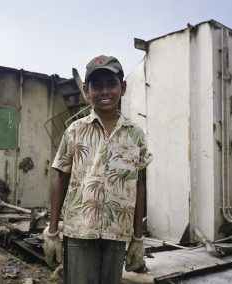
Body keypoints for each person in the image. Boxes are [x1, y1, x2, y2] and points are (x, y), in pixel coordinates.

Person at [43, 55, 153, 283]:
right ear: (86, 90)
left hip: (117, 232)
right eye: (97, 85)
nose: (105, 91)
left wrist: (138, 238)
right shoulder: (75, 130)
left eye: (111, 84)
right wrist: (52, 232)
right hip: (79, 231)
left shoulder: (136, 135)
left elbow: (139, 185)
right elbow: (61, 180)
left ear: (122, 87)